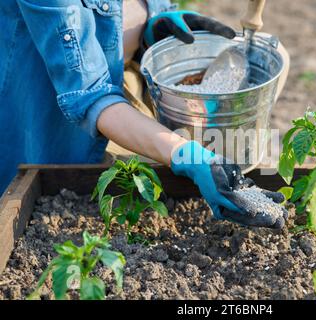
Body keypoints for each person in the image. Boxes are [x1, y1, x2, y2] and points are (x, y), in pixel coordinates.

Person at [0, 0, 288, 228]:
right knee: (46, 205)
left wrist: (151, 27)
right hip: (45, 124)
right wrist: (188, 154)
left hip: (115, 104)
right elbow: (91, 95)